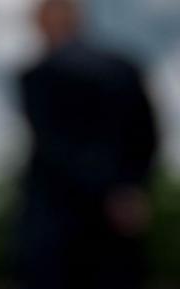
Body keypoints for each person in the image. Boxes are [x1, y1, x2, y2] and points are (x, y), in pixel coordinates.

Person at [16, 1, 158, 288]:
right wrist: (128, 187)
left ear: (42, 26)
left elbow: (55, 146)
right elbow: (147, 135)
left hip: (58, 216)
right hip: (118, 212)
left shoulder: (39, 76)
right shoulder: (122, 68)